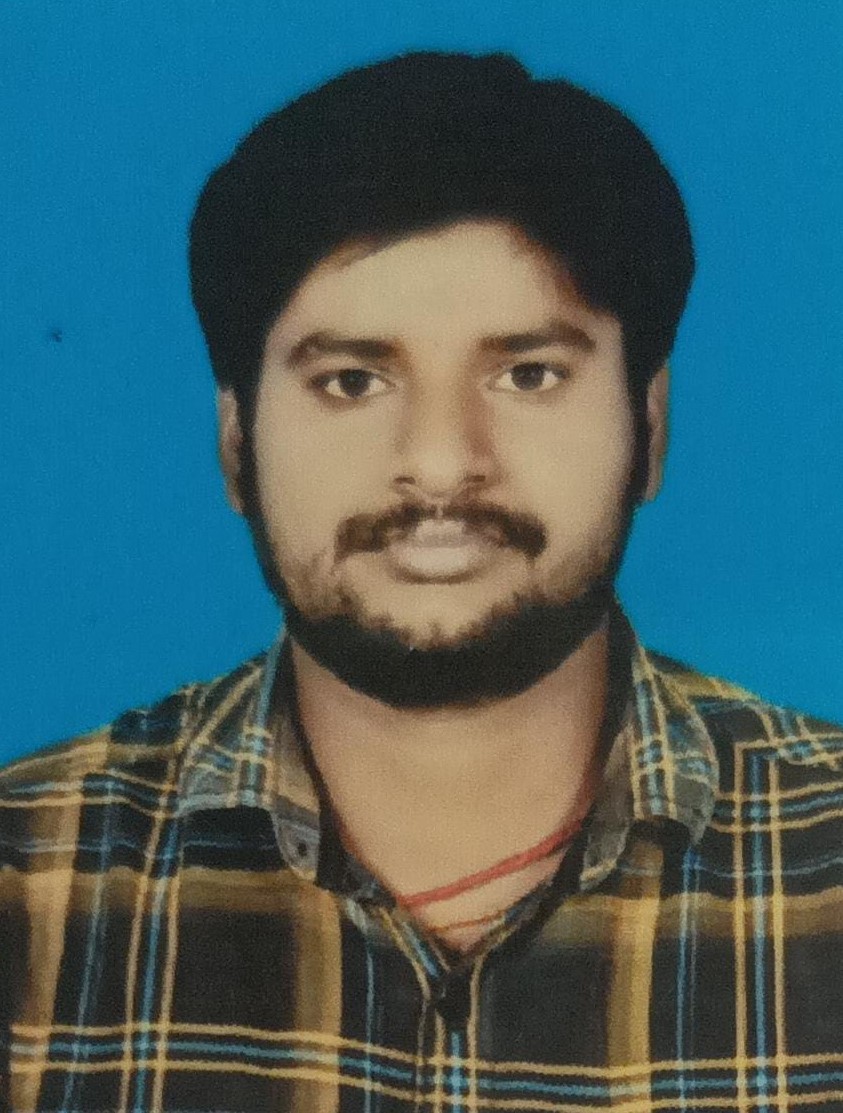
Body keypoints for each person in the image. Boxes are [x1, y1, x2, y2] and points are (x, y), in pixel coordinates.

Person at [1, 50, 841, 1113]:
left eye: (528, 374)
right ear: (235, 443)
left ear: (651, 425)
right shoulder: (28, 884)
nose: (442, 465)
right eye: (352, 381)